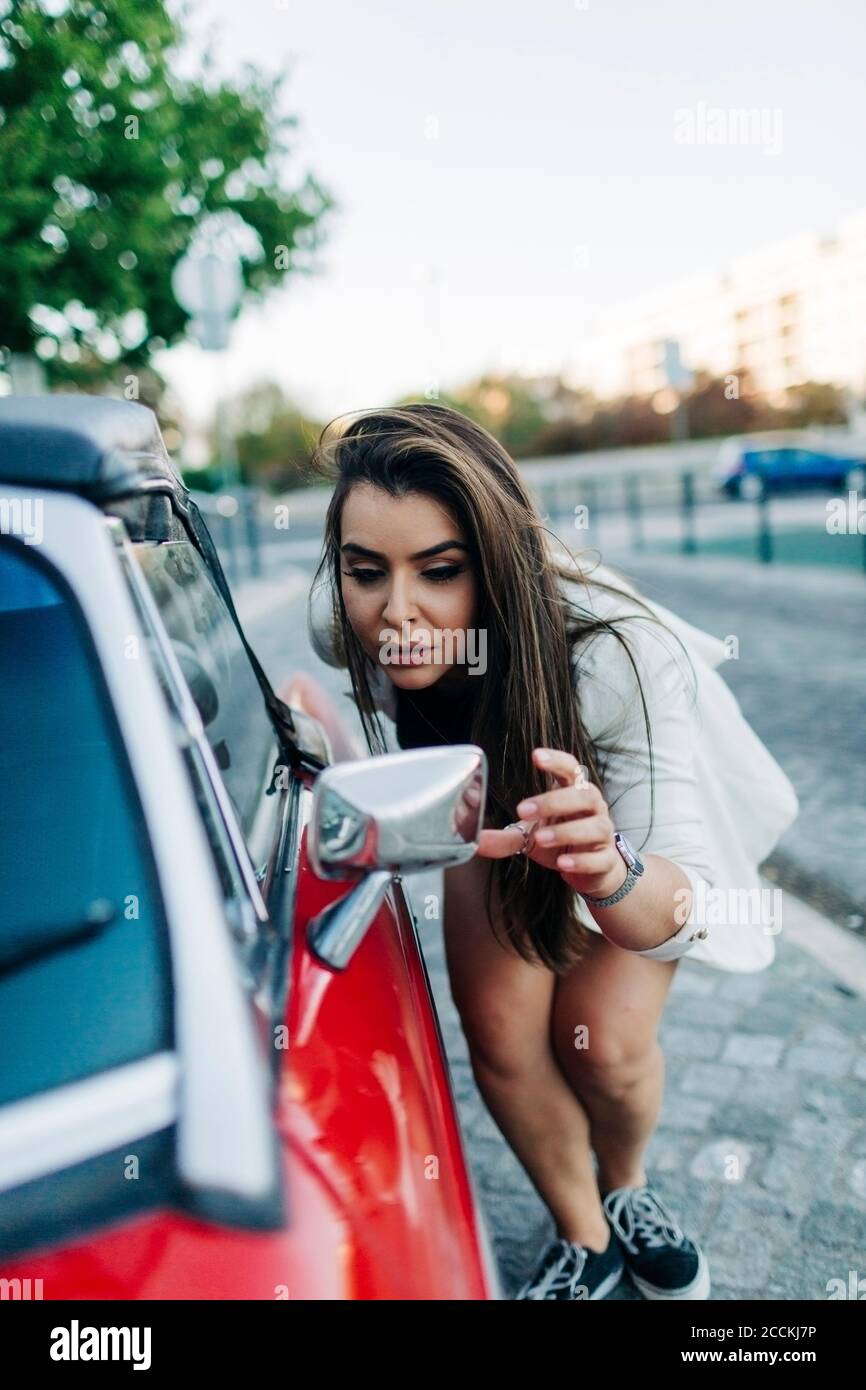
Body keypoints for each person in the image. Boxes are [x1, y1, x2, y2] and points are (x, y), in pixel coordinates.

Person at [305, 402, 799, 1301]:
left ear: (494, 565)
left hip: (629, 829)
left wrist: (608, 867)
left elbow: (683, 910)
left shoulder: (619, 656)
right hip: (498, 816)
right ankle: (585, 1234)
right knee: (500, 1037)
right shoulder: (347, 624)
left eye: (441, 571)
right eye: (365, 569)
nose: (398, 612)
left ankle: (627, 1185)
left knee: (605, 1046)